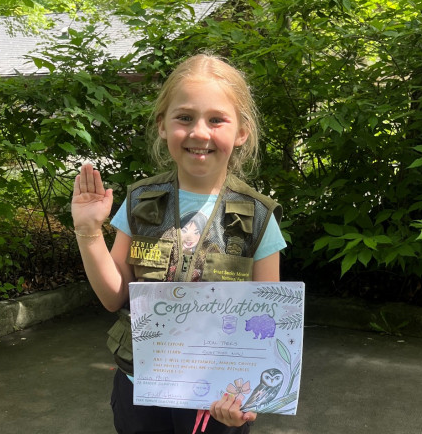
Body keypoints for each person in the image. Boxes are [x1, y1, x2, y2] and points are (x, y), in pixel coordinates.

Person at [71, 54, 286, 434]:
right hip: (141, 386)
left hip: (218, 398)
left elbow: (267, 323)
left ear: (241, 132)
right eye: (185, 117)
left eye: (216, 119)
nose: (199, 133)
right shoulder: (141, 202)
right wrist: (88, 231)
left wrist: (247, 398)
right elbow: (114, 297)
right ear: (162, 125)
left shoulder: (258, 216)